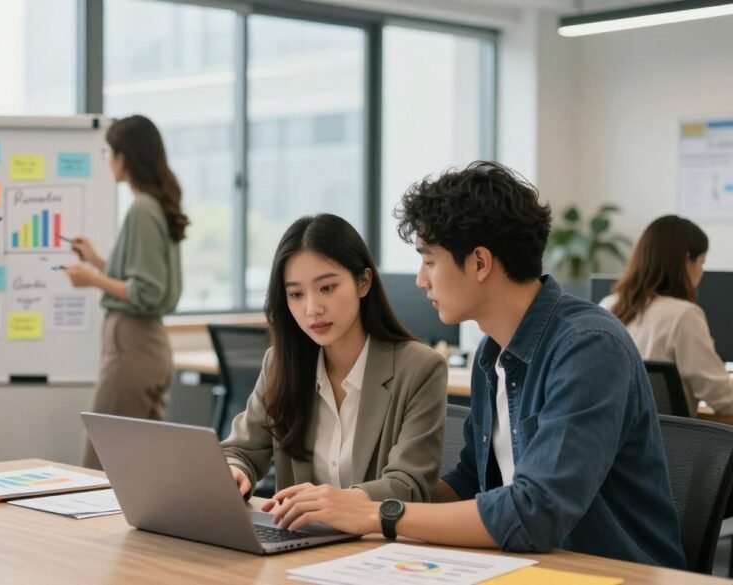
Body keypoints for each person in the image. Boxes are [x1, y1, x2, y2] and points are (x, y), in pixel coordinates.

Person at [264, 162, 685, 569]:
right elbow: (473, 480)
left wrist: (380, 514)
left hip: (613, 572)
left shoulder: (588, 347)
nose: (420, 280)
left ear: (480, 263)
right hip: (532, 567)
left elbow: (535, 510)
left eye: (429, 261)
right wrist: (360, 503)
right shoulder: (493, 354)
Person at [220, 214, 447, 504]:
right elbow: (240, 449)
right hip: (300, 543)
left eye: (327, 288)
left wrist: (338, 504)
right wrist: (236, 470)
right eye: (296, 294)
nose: (312, 309)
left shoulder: (419, 368)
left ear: (363, 283)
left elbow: (409, 486)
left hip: (377, 543)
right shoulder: (280, 363)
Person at [64, 115, 186, 470]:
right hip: (145, 345)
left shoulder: (142, 209)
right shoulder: (154, 204)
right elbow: (145, 280)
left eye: (109, 152)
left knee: (101, 465)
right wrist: (99, 263)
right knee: (140, 468)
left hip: (132, 345)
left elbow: (146, 290)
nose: (108, 161)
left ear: (124, 157)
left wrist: (92, 279)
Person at [601, 215, 733, 414]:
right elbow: (722, 398)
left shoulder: (606, 307)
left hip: (616, 440)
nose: (702, 272)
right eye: (701, 262)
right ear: (687, 260)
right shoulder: (684, 316)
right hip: (671, 442)